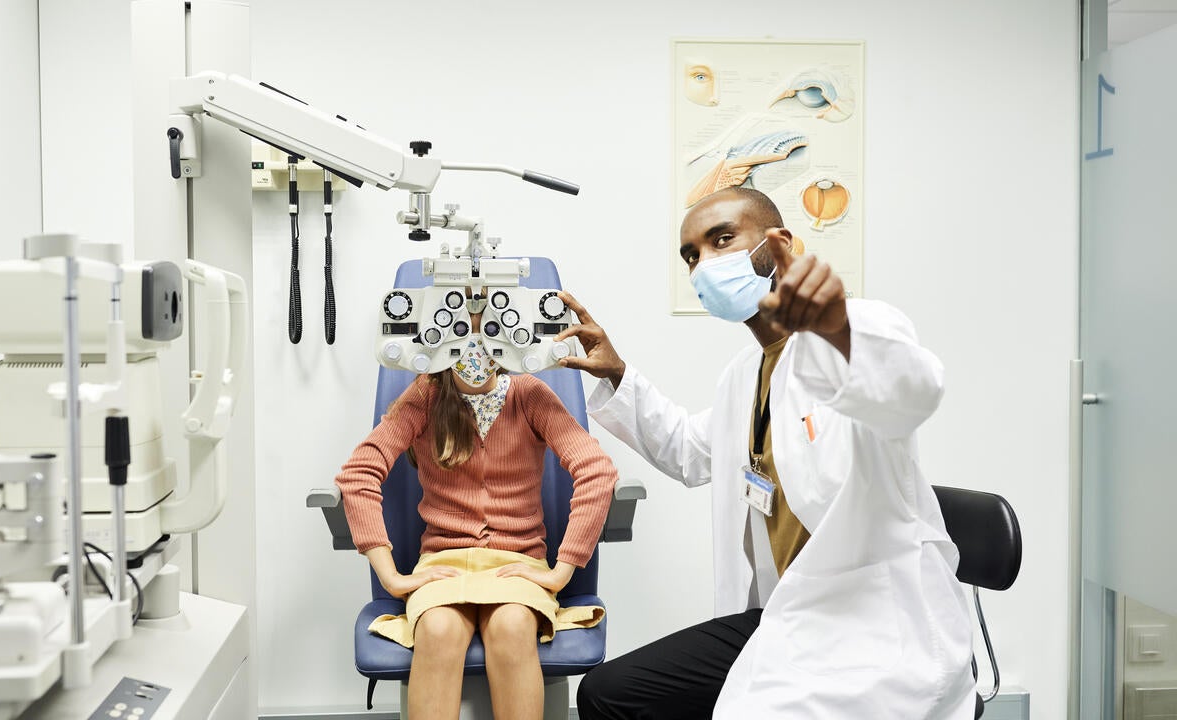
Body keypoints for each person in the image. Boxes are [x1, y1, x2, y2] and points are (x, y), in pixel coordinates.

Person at [558, 187, 975, 719]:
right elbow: (690, 450)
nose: (704, 265)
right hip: (789, 614)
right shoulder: (744, 375)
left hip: (875, 623)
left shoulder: (857, 331)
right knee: (607, 693)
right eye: (691, 256)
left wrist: (838, 329)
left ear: (777, 244)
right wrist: (618, 374)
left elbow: (910, 391)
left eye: (722, 240)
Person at [334, 306, 617, 720]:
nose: (476, 344)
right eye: (464, 328)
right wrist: (392, 577)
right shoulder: (424, 396)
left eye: (488, 328)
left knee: (512, 628)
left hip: (517, 562)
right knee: (438, 630)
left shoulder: (530, 394)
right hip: (445, 564)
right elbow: (358, 475)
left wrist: (562, 571)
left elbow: (596, 470)